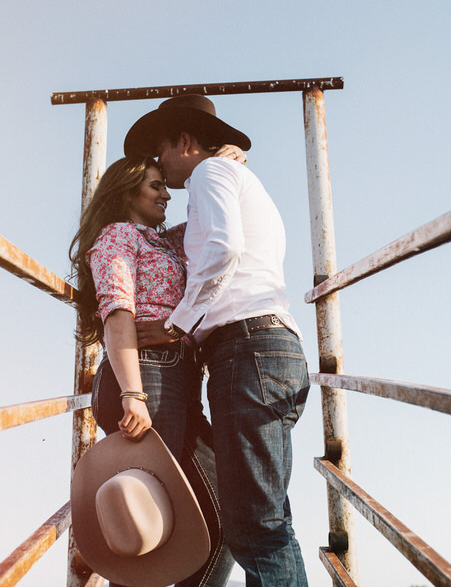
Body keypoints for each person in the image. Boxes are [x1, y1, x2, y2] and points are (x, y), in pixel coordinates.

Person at [125, 95, 311, 587]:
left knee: (256, 527)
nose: (159, 163)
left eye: (161, 150)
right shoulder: (237, 180)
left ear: (185, 142)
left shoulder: (209, 176)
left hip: (245, 351)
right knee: (266, 518)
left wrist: (177, 323)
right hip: (271, 351)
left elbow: (223, 247)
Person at [68, 155, 236, 587]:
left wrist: (229, 159)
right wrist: (133, 394)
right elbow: (117, 315)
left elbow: (210, 226)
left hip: (178, 378)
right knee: (166, 516)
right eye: (155, 186)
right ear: (127, 193)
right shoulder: (117, 237)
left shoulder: (162, 240)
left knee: (206, 511)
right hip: (144, 376)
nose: (167, 194)